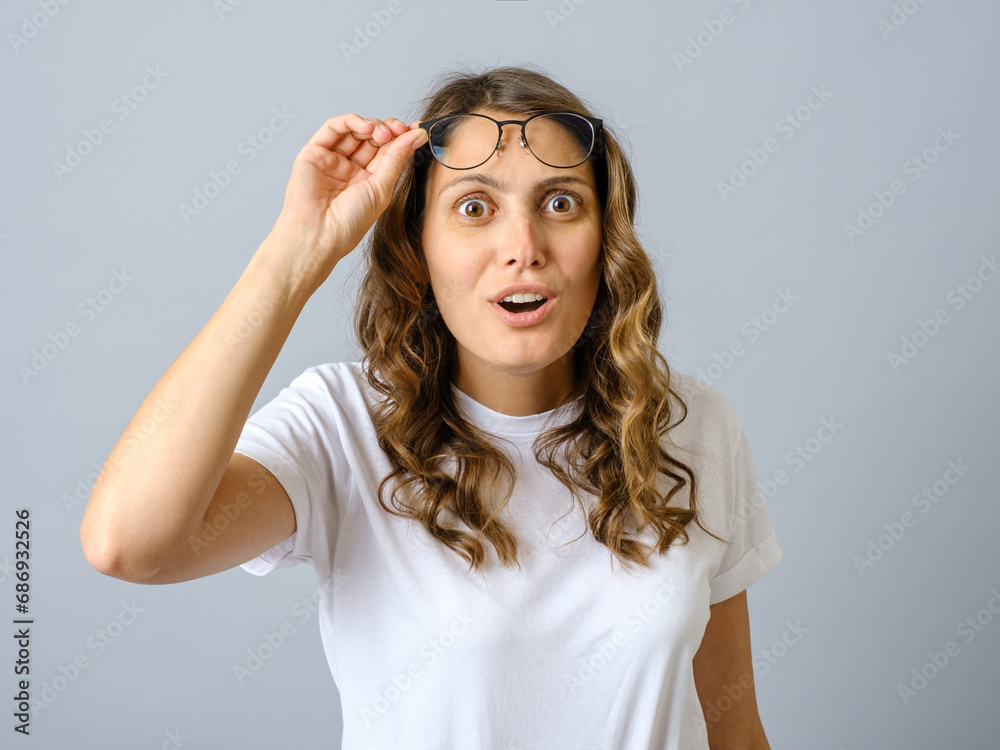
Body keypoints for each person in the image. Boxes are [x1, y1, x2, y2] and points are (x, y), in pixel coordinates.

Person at [81, 65, 782, 749]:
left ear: (607, 242)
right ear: (419, 251)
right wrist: (296, 254)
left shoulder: (690, 424)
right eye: (475, 208)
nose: (523, 248)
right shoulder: (343, 424)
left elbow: (734, 731)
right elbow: (131, 544)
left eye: (561, 202)